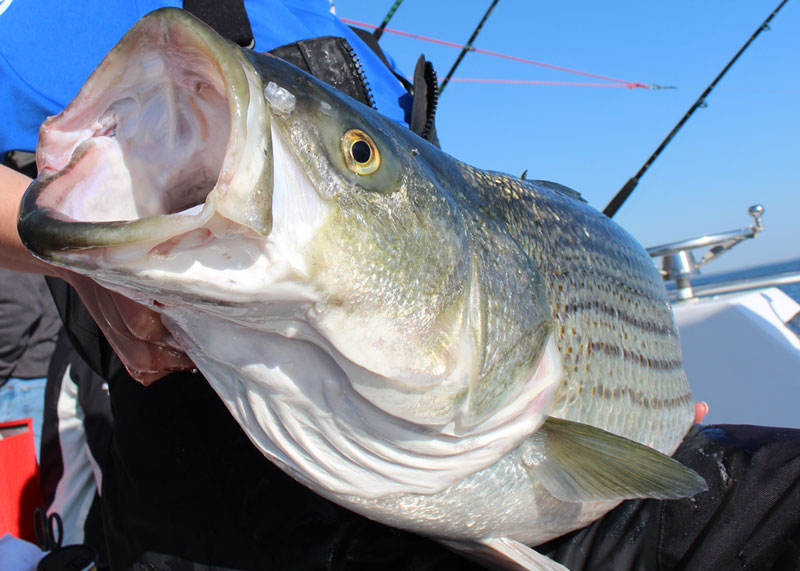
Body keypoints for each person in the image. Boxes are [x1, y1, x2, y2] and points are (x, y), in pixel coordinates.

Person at [1, 2, 799, 571]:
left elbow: (448, 228)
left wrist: (634, 422)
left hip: (529, 469)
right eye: (358, 152)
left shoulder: (347, 35)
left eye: (357, 153)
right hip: (230, 523)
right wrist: (77, 256)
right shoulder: (62, 22)